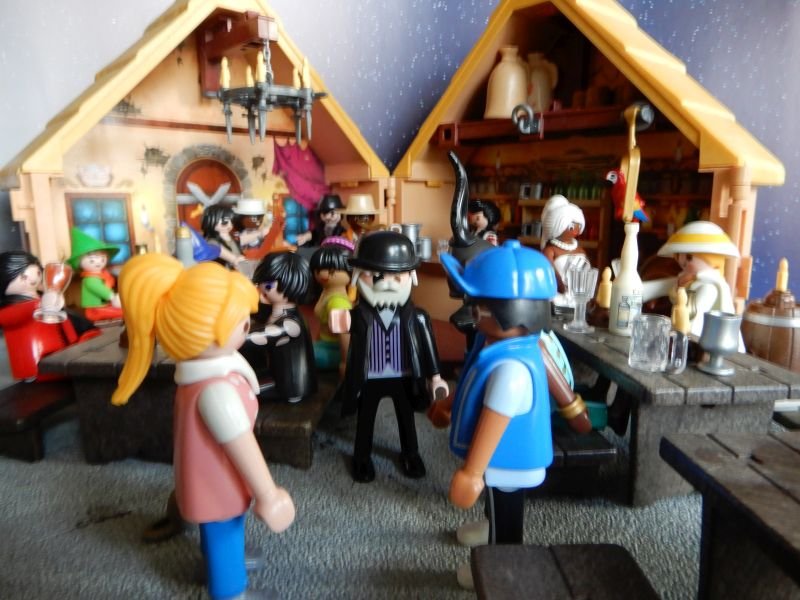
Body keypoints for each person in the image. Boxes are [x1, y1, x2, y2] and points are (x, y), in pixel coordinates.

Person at [111, 254, 294, 600]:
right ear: (204, 333)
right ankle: (230, 591)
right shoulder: (216, 391)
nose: (247, 326)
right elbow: (241, 444)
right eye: (240, 322)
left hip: (206, 477)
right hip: (219, 481)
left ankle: (217, 565)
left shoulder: (203, 375)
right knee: (224, 531)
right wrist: (269, 494)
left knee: (220, 531)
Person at [429, 239, 557, 589]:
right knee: (496, 505)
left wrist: (471, 473)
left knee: (507, 512)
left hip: (509, 460)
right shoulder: (496, 346)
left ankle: (503, 568)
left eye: (478, 306)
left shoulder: (512, 369)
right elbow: (474, 382)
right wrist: (449, 405)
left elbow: (494, 420)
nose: (472, 313)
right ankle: (490, 530)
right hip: (501, 458)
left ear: (512, 311)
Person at [329, 230, 448, 483]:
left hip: (404, 376)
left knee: (406, 417)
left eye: (397, 276)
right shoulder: (358, 315)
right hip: (369, 376)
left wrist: (436, 377)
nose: (387, 283)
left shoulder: (417, 317)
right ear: (358, 276)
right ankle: (362, 457)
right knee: (366, 418)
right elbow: (341, 323)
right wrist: (339, 321)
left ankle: (411, 453)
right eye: (377, 276)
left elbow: (429, 348)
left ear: (411, 276)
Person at [0, 250, 98, 381]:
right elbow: (15, 315)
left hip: (63, 354)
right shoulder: (9, 310)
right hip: (36, 364)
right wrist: (40, 304)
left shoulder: (41, 297)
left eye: (37, 273)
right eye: (23, 277)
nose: (31, 279)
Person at [641, 220, 742, 345]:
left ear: (710, 259)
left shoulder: (709, 287)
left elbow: (694, 316)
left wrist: (680, 334)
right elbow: (662, 287)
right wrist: (637, 291)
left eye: (689, 257)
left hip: (699, 339)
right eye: (679, 256)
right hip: (680, 332)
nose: (682, 261)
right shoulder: (687, 279)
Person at [246, 251, 317, 404]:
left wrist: (232, 334)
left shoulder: (291, 324)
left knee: (241, 390)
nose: (261, 289)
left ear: (290, 285)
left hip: (291, 387)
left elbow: (259, 337)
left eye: (268, 286)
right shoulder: (275, 312)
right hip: (276, 375)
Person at [309, 239, 353, 376]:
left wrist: (345, 363)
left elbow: (345, 336)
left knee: (302, 354)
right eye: (318, 270)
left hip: (336, 349)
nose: (323, 274)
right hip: (324, 344)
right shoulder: (326, 292)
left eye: (332, 270)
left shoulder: (338, 303)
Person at [540, 194, 589, 309]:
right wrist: (562, 287)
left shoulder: (579, 249)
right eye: (571, 227)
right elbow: (551, 272)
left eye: (578, 226)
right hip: (560, 295)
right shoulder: (550, 250)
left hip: (579, 296)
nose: (575, 231)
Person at [66, 227, 124, 322]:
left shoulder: (103, 275)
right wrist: (112, 296)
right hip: (94, 310)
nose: (98, 262)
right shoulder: (90, 279)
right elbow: (100, 289)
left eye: (102, 259)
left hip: (103, 306)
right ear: (80, 262)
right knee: (124, 312)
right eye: (92, 260)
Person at [201, 204, 245, 269]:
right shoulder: (212, 242)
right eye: (225, 222)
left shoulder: (231, 237)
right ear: (211, 220)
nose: (230, 225)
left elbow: (242, 239)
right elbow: (219, 250)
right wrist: (234, 259)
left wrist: (259, 233)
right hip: (221, 272)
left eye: (232, 221)